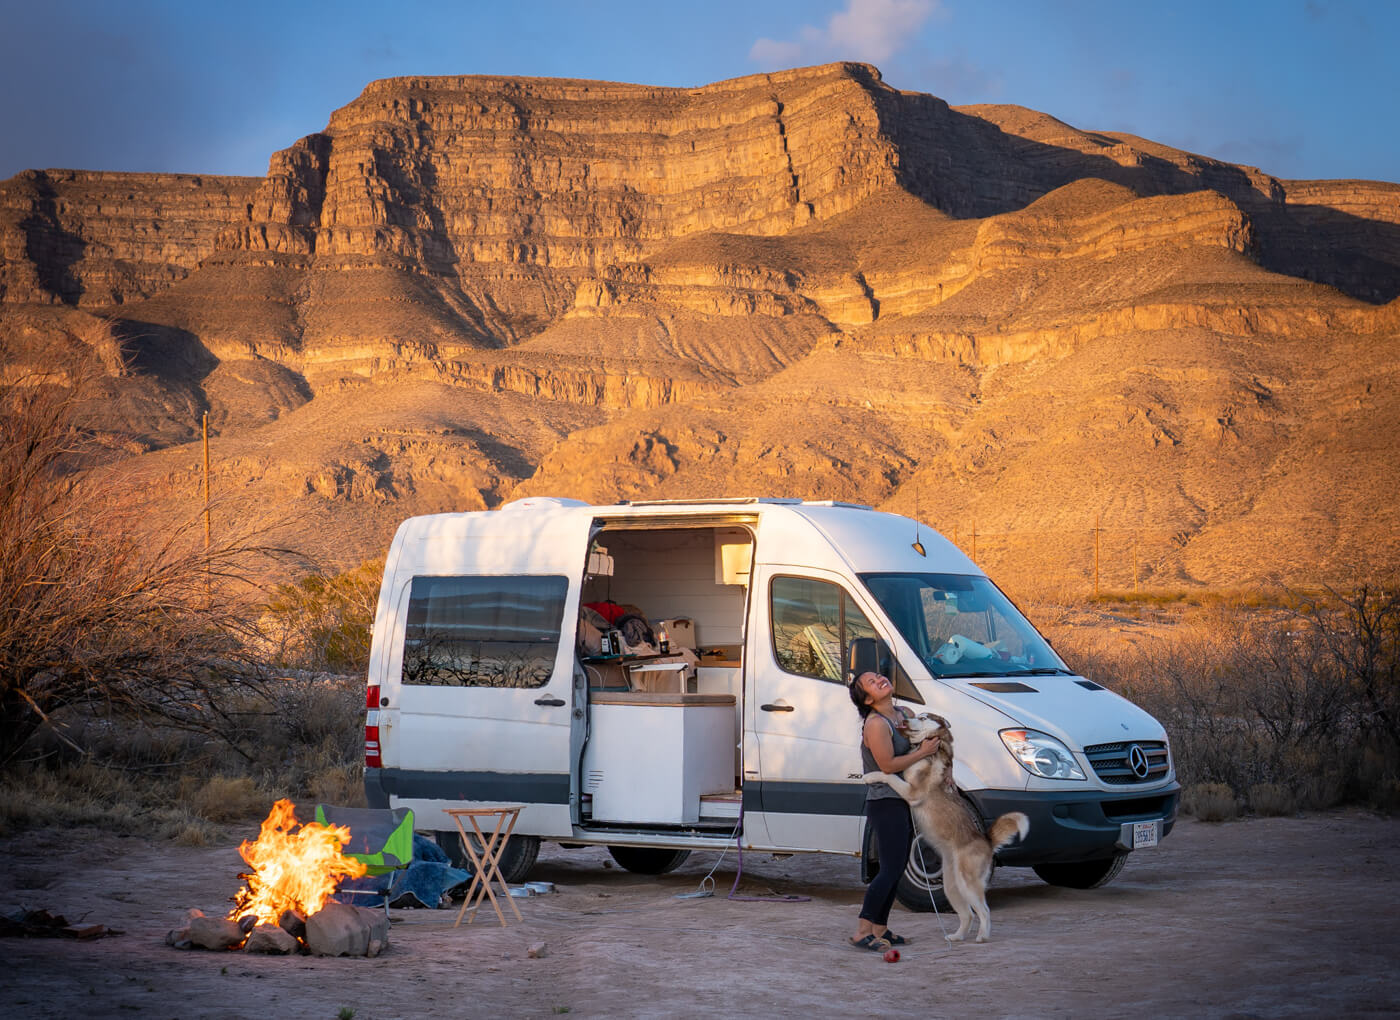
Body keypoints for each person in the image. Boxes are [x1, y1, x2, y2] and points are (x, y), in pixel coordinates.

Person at [848, 669, 941, 951]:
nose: (879, 680)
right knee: (889, 869)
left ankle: (881, 928)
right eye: (871, 683)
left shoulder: (903, 713)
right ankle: (862, 930)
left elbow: (927, 739)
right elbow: (887, 765)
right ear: (867, 700)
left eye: (878, 676)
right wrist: (924, 753)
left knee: (897, 866)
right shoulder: (876, 724)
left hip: (904, 798)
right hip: (884, 801)